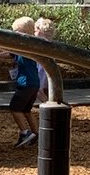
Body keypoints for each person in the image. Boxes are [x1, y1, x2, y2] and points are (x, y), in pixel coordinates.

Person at [7, 16, 39, 147]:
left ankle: (25, 132)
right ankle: (36, 134)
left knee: (14, 108)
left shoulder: (24, 46)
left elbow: (10, 51)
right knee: (26, 110)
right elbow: (10, 54)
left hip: (25, 83)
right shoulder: (30, 46)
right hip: (34, 83)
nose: (14, 34)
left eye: (16, 32)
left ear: (24, 32)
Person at [34, 16, 57, 102]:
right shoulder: (50, 43)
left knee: (38, 89)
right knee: (43, 90)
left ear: (40, 31)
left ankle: (48, 104)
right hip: (45, 68)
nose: (34, 33)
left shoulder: (41, 43)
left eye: (35, 31)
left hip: (42, 68)